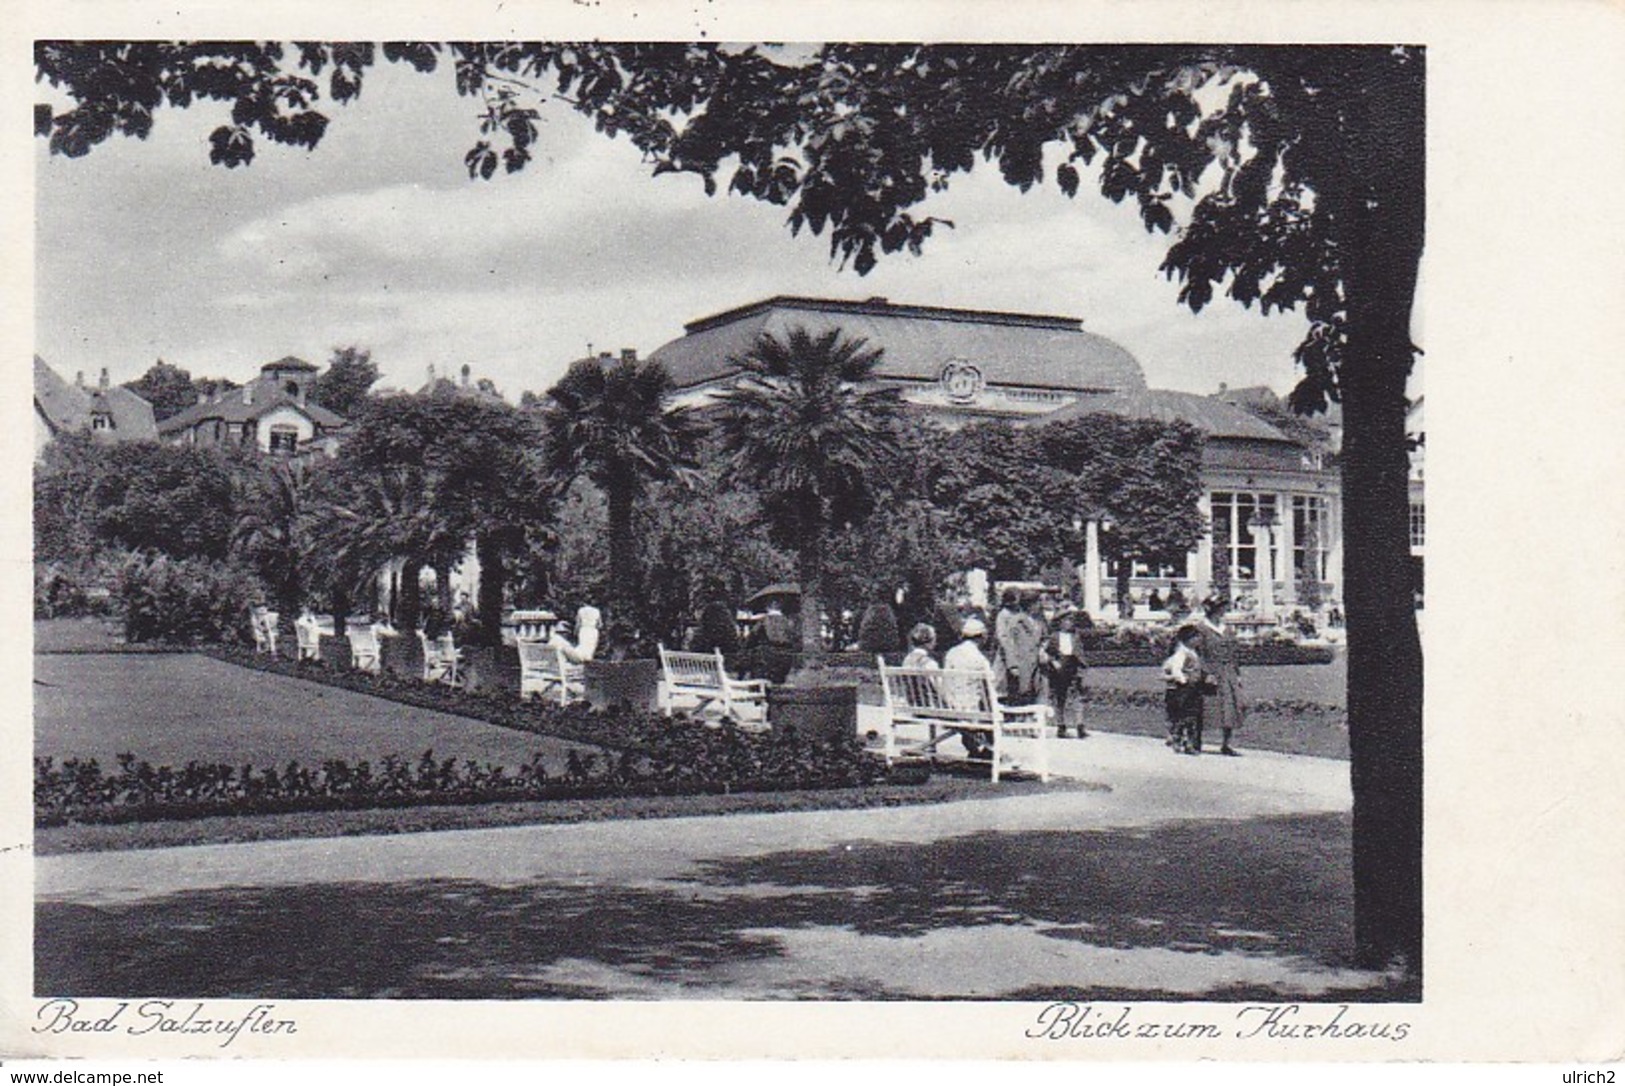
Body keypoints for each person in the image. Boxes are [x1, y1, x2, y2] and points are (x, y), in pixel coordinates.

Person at [1189, 594, 1244, 756]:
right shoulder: (1201, 629)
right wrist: (1205, 672)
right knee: (1206, 706)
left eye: (1223, 608)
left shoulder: (1226, 629)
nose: (1222, 611)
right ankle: (1195, 741)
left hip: (1227, 672)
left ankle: (1226, 743)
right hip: (1209, 671)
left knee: (1231, 706)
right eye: (1219, 608)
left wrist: (1237, 673)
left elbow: (1233, 653)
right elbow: (1196, 653)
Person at [944, 616, 996, 760]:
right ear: (982, 637)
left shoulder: (951, 653)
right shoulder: (979, 659)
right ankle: (989, 750)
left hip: (951, 708)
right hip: (971, 712)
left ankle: (974, 749)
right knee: (990, 712)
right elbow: (990, 687)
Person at [1041, 605, 1089, 738]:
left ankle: (1080, 725)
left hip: (1072, 665)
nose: (1070, 623)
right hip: (1059, 667)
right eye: (1067, 620)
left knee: (1077, 696)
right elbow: (1047, 652)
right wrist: (1053, 661)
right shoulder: (1054, 637)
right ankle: (1061, 725)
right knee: (1060, 697)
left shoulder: (1075, 636)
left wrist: (1081, 667)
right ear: (1060, 622)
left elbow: (1080, 653)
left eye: (1071, 620)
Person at [1161, 624, 1204, 754]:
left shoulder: (1193, 652)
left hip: (1194, 687)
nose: (1199, 639)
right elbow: (1176, 669)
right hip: (1186, 688)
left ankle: (1187, 742)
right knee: (1185, 715)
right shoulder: (1182, 652)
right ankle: (1180, 739)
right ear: (1188, 638)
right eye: (1196, 637)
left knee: (1191, 716)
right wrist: (1183, 680)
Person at [994, 590, 1044, 703]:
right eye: (1038, 602)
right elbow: (1008, 643)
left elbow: (1043, 638)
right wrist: (1013, 665)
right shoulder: (1016, 621)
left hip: (1034, 663)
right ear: (1030, 604)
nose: (1040, 605)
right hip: (1021, 663)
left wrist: (1043, 649)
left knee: (1033, 693)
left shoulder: (1038, 621)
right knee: (1020, 695)